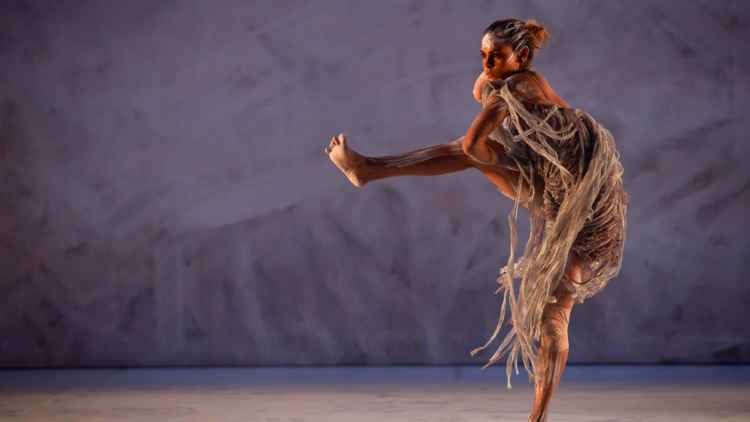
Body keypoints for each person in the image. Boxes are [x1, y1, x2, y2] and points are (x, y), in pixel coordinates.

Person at [325, 18, 629, 422]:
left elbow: (472, 143)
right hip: (557, 197)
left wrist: (488, 150)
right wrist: (491, 130)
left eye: (496, 56)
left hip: (589, 213)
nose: (486, 63)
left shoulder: (525, 84)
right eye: (483, 55)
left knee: (552, 316)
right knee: (552, 314)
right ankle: (367, 168)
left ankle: (537, 418)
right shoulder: (513, 88)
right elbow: (480, 102)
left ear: (521, 56)